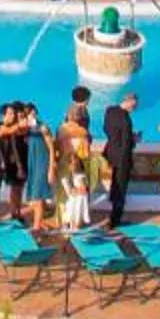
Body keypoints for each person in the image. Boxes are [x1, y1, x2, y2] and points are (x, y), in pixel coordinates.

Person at [55, 98, 96, 228]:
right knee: (77, 196)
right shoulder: (83, 131)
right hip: (78, 165)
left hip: (63, 162)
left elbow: (57, 146)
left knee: (63, 194)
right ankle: (76, 223)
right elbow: (86, 151)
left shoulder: (61, 129)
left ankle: (62, 221)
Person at [102, 93, 141, 227]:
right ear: (128, 101)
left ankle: (114, 217)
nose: (134, 108)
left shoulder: (110, 111)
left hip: (110, 153)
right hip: (122, 158)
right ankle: (115, 220)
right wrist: (134, 140)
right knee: (120, 188)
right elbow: (126, 143)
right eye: (134, 105)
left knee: (115, 186)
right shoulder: (126, 120)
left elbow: (106, 129)